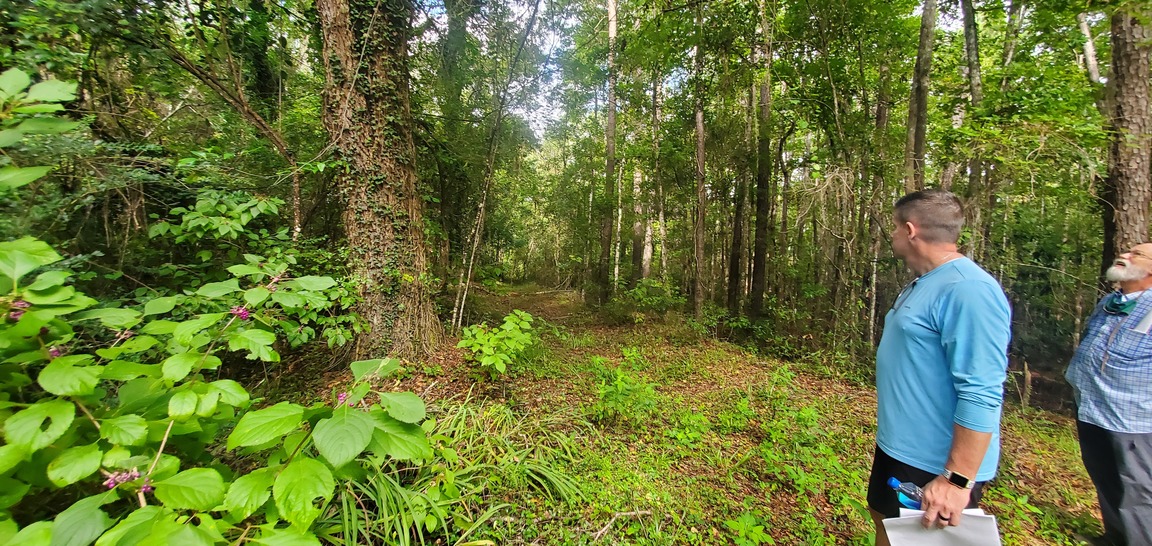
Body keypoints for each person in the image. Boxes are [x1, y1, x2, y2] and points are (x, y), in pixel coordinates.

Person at [866, 189, 1012, 545]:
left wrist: (956, 479)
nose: (894, 235)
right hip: (900, 447)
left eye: (896, 227)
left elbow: (982, 391)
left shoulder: (969, 290)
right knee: (886, 524)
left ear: (911, 230)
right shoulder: (924, 283)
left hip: (933, 462)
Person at [1066, 243, 1152, 546]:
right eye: (1127, 251)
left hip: (1134, 418)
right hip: (1093, 408)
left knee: (1138, 488)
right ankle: (1115, 536)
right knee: (1104, 477)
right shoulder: (1110, 302)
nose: (1125, 255)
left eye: (1136, 254)